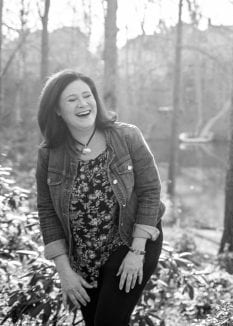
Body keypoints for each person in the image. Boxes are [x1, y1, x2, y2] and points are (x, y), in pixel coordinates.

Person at [36, 69, 165, 325]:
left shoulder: (127, 136)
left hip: (130, 243)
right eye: (72, 99)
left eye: (87, 95)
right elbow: (47, 212)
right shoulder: (49, 154)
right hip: (83, 257)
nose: (83, 104)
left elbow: (151, 191)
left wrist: (136, 252)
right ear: (58, 110)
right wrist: (65, 272)